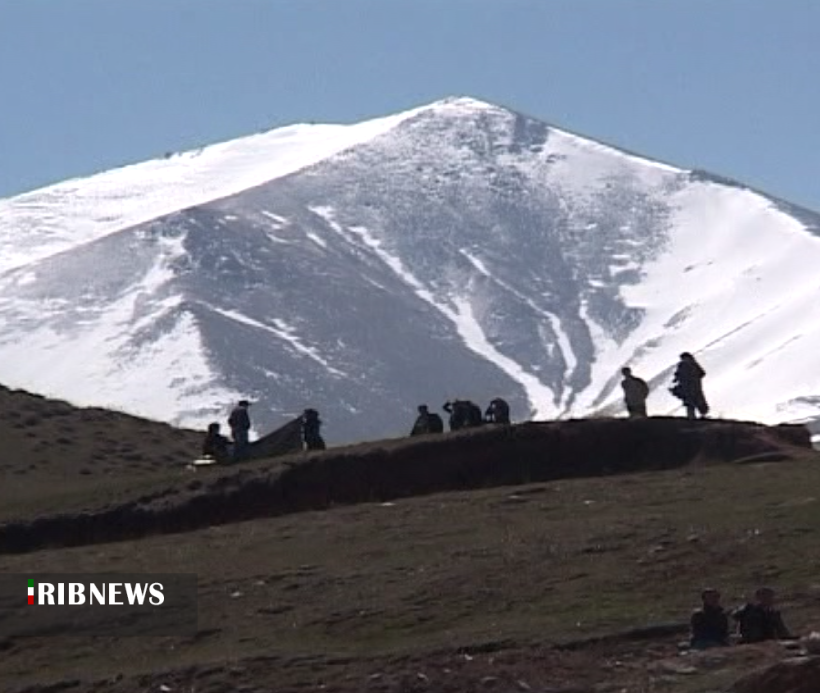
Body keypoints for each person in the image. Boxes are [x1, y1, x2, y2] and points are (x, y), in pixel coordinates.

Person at [670, 352, 709, 419]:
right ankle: (699, 415)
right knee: (697, 400)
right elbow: (702, 373)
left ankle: (692, 417)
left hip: (687, 387)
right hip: (694, 386)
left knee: (690, 402)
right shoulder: (694, 364)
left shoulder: (683, 364)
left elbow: (678, 375)